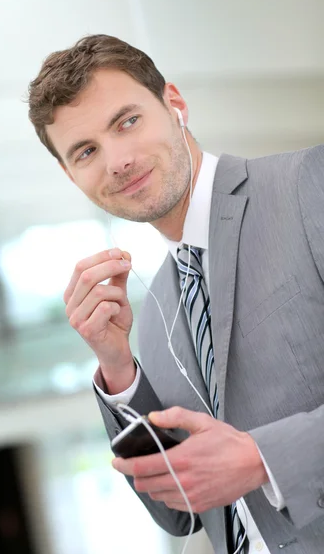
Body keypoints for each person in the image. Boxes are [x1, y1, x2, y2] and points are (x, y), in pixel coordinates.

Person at [27, 34, 324, 554]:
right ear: (69, 175)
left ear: (175, 104)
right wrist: (119, 370)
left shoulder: (308, 186)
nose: (117, 159)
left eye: (127, 121)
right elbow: (180, 512)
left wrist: (263, 459)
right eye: (86, 150)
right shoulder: (156, 306)